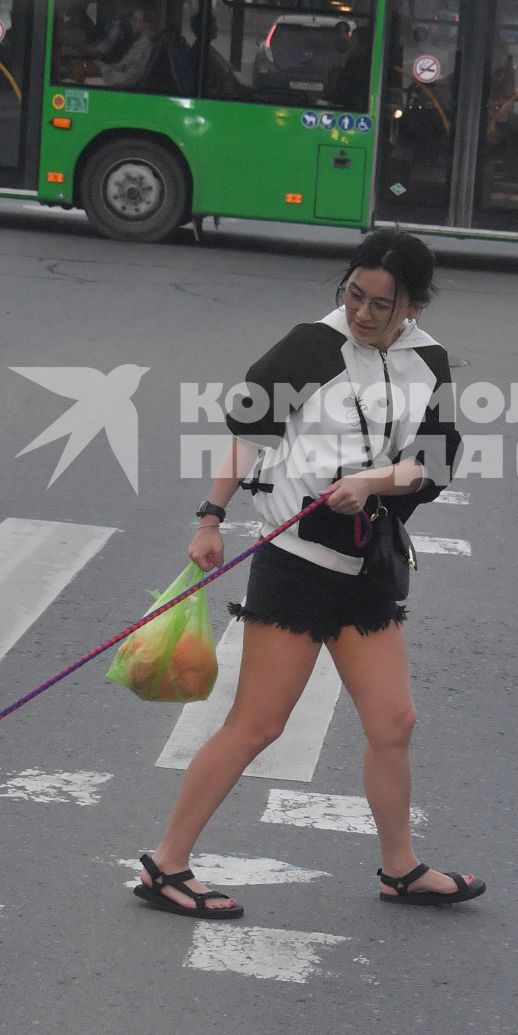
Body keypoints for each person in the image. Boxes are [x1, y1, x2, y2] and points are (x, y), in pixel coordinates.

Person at [129, 232, 478, 919]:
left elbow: (434, 461)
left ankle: (399, 867)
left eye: (384, 303)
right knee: (258, 724)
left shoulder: (427, 362)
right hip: (296, 566)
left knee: (393, 721)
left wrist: (374, 480)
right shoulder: (310, 347)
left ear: (412, 304)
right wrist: (210, 518)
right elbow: (249, 432)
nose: (364, 313)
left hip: (367, 560)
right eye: (354, 293)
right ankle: (165, 865)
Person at [328, 23, 373, 108]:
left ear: (363, 45)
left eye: (353, 41)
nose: (350, 45)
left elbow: (346, 92)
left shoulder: (359, 66)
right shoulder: (353, 62)